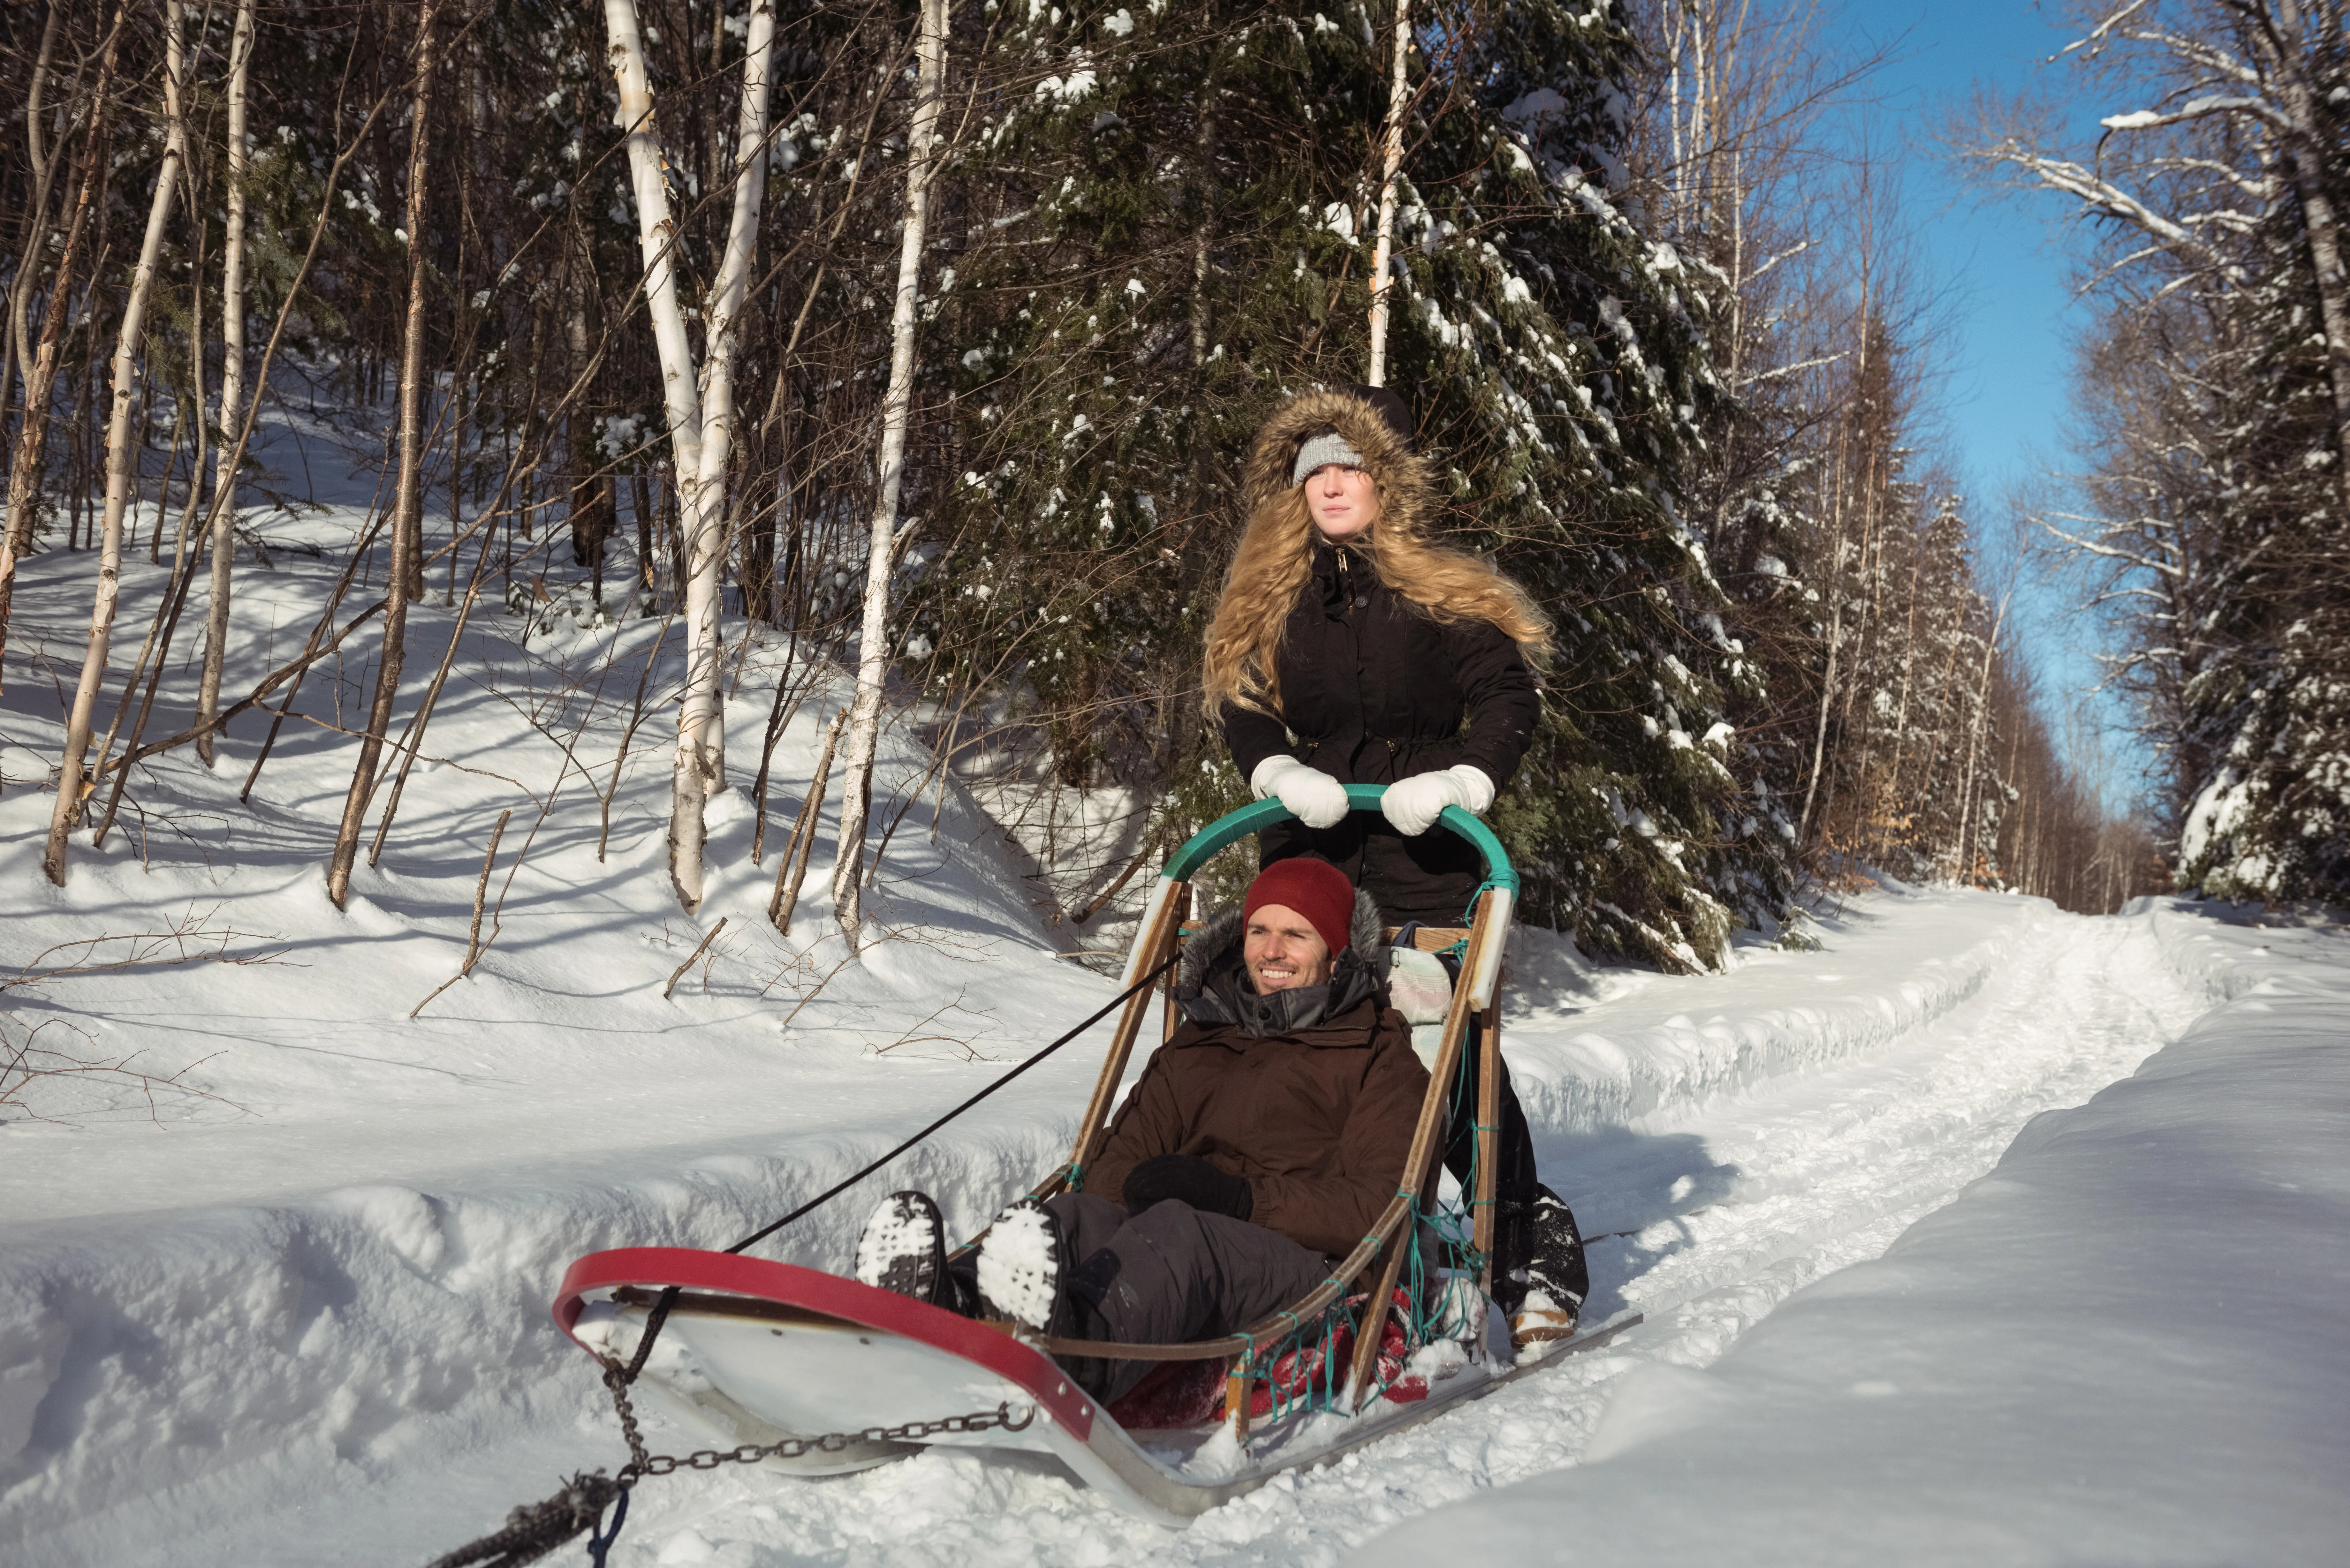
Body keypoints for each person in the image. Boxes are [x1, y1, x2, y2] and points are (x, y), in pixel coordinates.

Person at [1201, 383, 1589, 1338]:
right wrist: (1275, 765)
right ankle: (1285, 1234)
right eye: (1313, 471)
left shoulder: (1441, 593)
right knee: (1286, 1046)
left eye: (1349, 467)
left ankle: (1522, 1254)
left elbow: (1508, 698)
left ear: (1388, 481)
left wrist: (1464, 781)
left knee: (1442, 1062)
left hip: (1426, 862)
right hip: (1311, 856)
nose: (1330, 485)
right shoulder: (1271, 598)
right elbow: (1240, 697)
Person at [851, 858, 1429, 1406]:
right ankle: (946, 1306)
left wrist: (1241, 1199)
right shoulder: (1200, 1041)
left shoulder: (1378, 1054)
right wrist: (1146, 1184)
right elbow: (1114, 1163)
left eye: (1297, 935)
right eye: (1258, 930)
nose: (1271, 951)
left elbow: (1379, 1207)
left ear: (1337, 954)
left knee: (1181, 1232)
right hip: (1190, 1238)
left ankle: (1075, 1360)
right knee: (1078, 1216)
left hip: (1311, 1268)